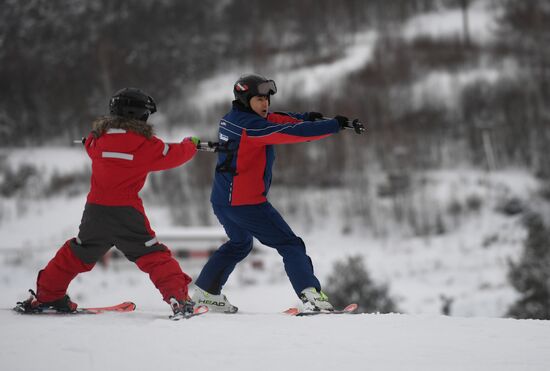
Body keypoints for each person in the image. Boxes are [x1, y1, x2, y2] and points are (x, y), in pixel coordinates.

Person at [15, 88, 200, 317]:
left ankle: (47, 295)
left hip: (95, 211)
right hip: (126, 212)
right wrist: (191, 143)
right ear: (141, 115)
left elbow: (89, 144)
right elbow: (175, 154)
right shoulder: (147, 145)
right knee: (153, 255)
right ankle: (179, 298)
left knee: (77, 253)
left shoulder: (97, 139)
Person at [192, 73, 364, 312]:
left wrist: (306, 118)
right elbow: (292, 132)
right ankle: (312, 297)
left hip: (222, 200)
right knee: (291, 245)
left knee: (240, 244)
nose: (265, 104)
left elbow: (279, 119)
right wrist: (333, 125)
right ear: (245, 99)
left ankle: (206, 291)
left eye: (267, 99)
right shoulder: (251, 128)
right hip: (247, 204)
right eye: (259, 99)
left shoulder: (232, 119)